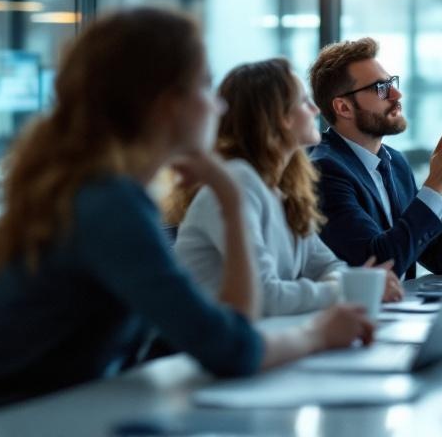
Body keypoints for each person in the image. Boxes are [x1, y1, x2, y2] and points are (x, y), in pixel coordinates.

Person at [0, 9, 373, 411]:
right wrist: (319, 333)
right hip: (26, 422)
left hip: (65, 412)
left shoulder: (105, 192)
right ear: (167, 104)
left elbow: (236, 328)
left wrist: (229, 196)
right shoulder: (108, 203)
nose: (219, 107)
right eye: (205, 87)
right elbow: (232, 349)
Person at [171, 58, 403, 316]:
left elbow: (329, 265)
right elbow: (266, 297)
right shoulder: (237, 183)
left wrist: (338, 285)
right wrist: (348, 290)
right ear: (279, 117)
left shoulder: (283, 188)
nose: (315, 110)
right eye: (303, 102)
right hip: (204, 351)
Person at [308, 37, 442, 278]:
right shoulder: (323, 170)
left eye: (391, 83)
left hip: (400, 309)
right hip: (357, 312)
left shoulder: (394, 163)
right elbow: (378, 265)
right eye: (380, 88)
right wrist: (436, 185)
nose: (397, 94)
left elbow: (438, 259)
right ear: (344, 108)